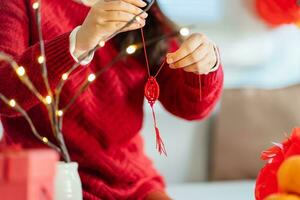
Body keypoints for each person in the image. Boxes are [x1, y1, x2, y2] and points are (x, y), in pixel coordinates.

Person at [0, 0, 223, 199]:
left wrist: (206, 65)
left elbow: (191, 108)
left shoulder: (142, 10)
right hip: (48, 179)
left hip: (132, 183)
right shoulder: (23, 5)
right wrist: (79, 42)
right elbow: (5, 91)